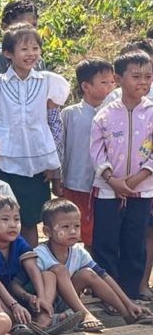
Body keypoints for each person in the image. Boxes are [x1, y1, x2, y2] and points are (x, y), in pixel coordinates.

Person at [0, 24, 69, 245]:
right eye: (24, 49)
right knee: (1, 219)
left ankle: (30, 271)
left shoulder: (48, 82)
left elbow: (54, 123)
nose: (31, 54)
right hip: (3, 163)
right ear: (8, 53)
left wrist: (53, 162)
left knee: (29, 220)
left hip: (37, 163)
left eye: (35, 48)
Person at [89, 51, 153, 301]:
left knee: (134, 241)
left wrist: (136, 180)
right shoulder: (105, 114)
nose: (143, 82)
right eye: (136, 76)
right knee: (105, 241)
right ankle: (108, 296)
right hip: (107, 189)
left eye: (148, 76)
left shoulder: (151, 112)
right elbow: (96, 150)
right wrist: (111, 180)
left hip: (143, 188)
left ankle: (131, 292)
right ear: (118, 78)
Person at [37, 198, 150, 333]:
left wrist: (128, 303)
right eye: (65, 227)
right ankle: (82, 315)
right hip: (42, 303)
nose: (73, 231)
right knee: (57, 271)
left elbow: (104, 276)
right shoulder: (40, 254)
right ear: (47, 231)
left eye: (77, 226)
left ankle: (128, 314)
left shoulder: (78, 251)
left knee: (88, 273)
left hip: (67, 301)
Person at [0, 195, 82, 335]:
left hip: (19, 292)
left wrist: (41, 297)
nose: (12, 224)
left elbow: (32, 268)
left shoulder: (18, 241)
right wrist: (14, 305)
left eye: (16, 219)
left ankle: (44, 318)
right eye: (5, 219)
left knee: (48, 275)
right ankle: (18, 326)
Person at [59, 58, 115, 247]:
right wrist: (57, 178)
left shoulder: (114, 113)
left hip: (104, 185)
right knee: (72, 230)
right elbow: (61, 148)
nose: (110, 87)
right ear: (86, 86)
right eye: (104, 82)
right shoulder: (70, 114)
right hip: (75, 182)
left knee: (98, 234)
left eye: (112, 82)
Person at [0, 0, 41, 75]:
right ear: (5, 26)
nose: (29, 31)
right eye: (22, 26)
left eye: (33, 25)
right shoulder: (0, 57)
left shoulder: (36, 58)